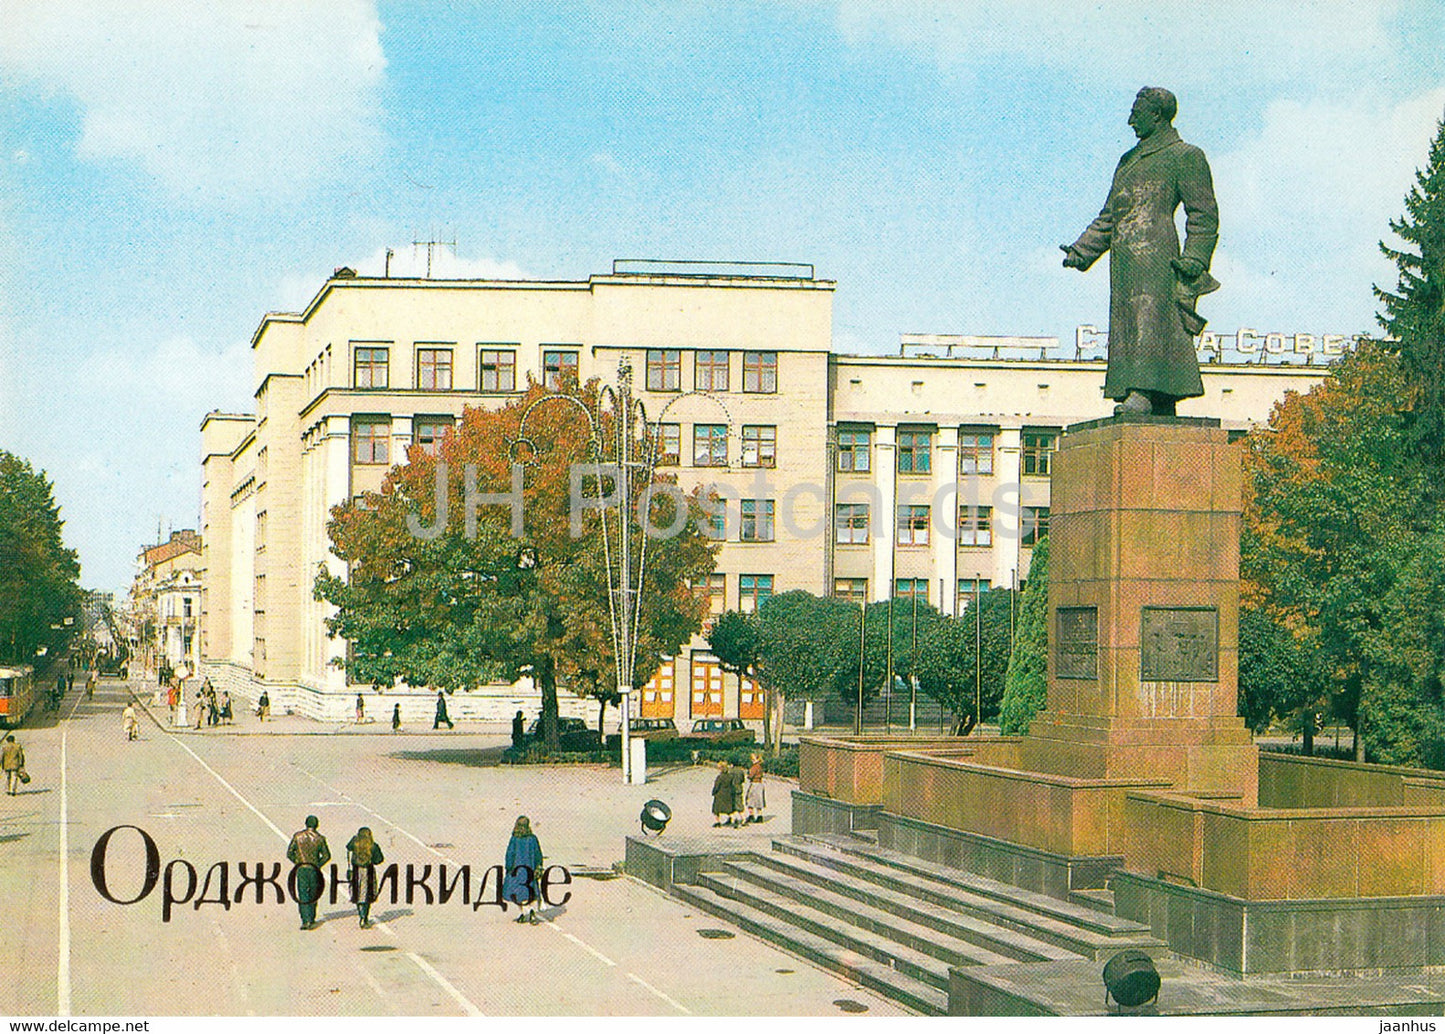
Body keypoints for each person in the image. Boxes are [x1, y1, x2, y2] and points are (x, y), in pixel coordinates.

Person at [1061, 87, 1219, 417]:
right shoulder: (1128, 161)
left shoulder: (1184, 155)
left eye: (1138, 112)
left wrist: (1195, 258)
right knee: (1128, 324)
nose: (1131, 119)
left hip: (1157, 255)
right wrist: (1082, 250)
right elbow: (1111, 214)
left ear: (1157, 115)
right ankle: (1154, 397)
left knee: (1151, 321)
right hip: (1125, 259)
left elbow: (1203, 213)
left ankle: (1144, 391)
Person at [286, 815, 331, 931]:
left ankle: (305, 920)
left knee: (303, 893)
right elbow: (326, 856)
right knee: (313, 893)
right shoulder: (320, 838)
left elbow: (290, 853)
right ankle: (311, 918)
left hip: (301, 868)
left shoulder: (298, 836)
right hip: (314, 869)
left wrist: (298, 861)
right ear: (317, 825)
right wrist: (318, 864)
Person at [503, 816, 544, 924]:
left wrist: (508, 867)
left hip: (516, 870)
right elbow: (538, 854)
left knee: (517, 893)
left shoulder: (514, 839)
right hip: (530, 869)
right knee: (531, 891)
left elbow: (510, 854)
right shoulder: (532, 838)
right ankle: (531, 911)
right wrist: (539, 866)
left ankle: (522, 913)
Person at [345, 826, 384, 928]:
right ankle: (364, 918)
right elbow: (379, 859)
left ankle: (361, 914)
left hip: (356, 870)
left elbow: (348, 847)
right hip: (368, 871)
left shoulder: (355, 843)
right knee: (367, 894)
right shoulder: (373, 846)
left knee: (357, 894)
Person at [745, 753, 766, 824]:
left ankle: (751, 815)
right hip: (760, 784)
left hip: (754, 784)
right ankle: (760, 816)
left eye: (753, 759)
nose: (752, 761)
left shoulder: (754, 767)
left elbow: (751, 776)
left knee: (750, 799)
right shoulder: (760, 766)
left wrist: (748, 775)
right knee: (758, 800)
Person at [711, 761, 733, 828]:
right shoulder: (730, 776)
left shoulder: (720, 777)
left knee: (716, 809)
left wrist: (713, 792)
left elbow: (716, 786)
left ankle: (718, 822)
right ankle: (731, 818)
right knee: (728, 809)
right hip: (728, 793)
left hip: (720, 794)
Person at [728, 761, 747, 829]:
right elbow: (743, 780)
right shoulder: (741, 771)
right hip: (739, 788)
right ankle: (743, 818)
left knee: (732, 804)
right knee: (739, 804)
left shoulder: (731, 771)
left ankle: (734, 819)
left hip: (732, 788)